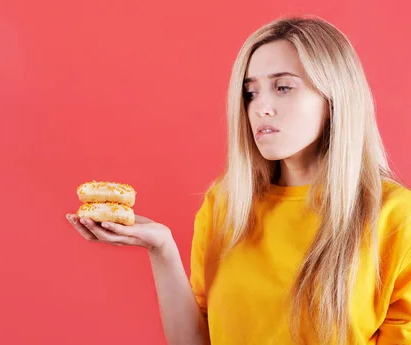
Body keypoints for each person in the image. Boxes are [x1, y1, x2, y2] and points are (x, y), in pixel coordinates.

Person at [65, 15, 411, 345]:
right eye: (251, 93)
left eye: (283, 87)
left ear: (334, 98)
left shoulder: (395, 216)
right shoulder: (226, 202)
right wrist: (162, 249)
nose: (261, 107)